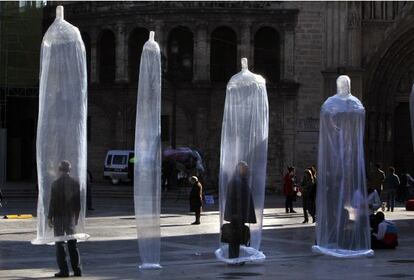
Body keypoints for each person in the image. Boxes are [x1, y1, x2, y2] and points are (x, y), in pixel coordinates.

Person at [48, 160, 82, 277]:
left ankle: (64, 270)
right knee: (72, 243)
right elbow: (78, 203)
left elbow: (53, 202)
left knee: (60, 243)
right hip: (70, 216)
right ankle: (77, 270)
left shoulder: (55, 183)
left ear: (59, 170)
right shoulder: (75, 183)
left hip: (58, 216)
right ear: (69, 170)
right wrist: (76, 217)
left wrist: (49, 217)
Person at [223, 161, 256, 259]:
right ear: (239, 169)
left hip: (240, 214)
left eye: (247, 167)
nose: (247, 169)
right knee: (234, 237)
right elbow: (232, 198)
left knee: (239, 237)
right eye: (245, 168)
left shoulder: (242, 180)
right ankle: (233, 257)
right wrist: (234, 213)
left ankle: (237, 257)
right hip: (236, 214)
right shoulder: (235, 181)